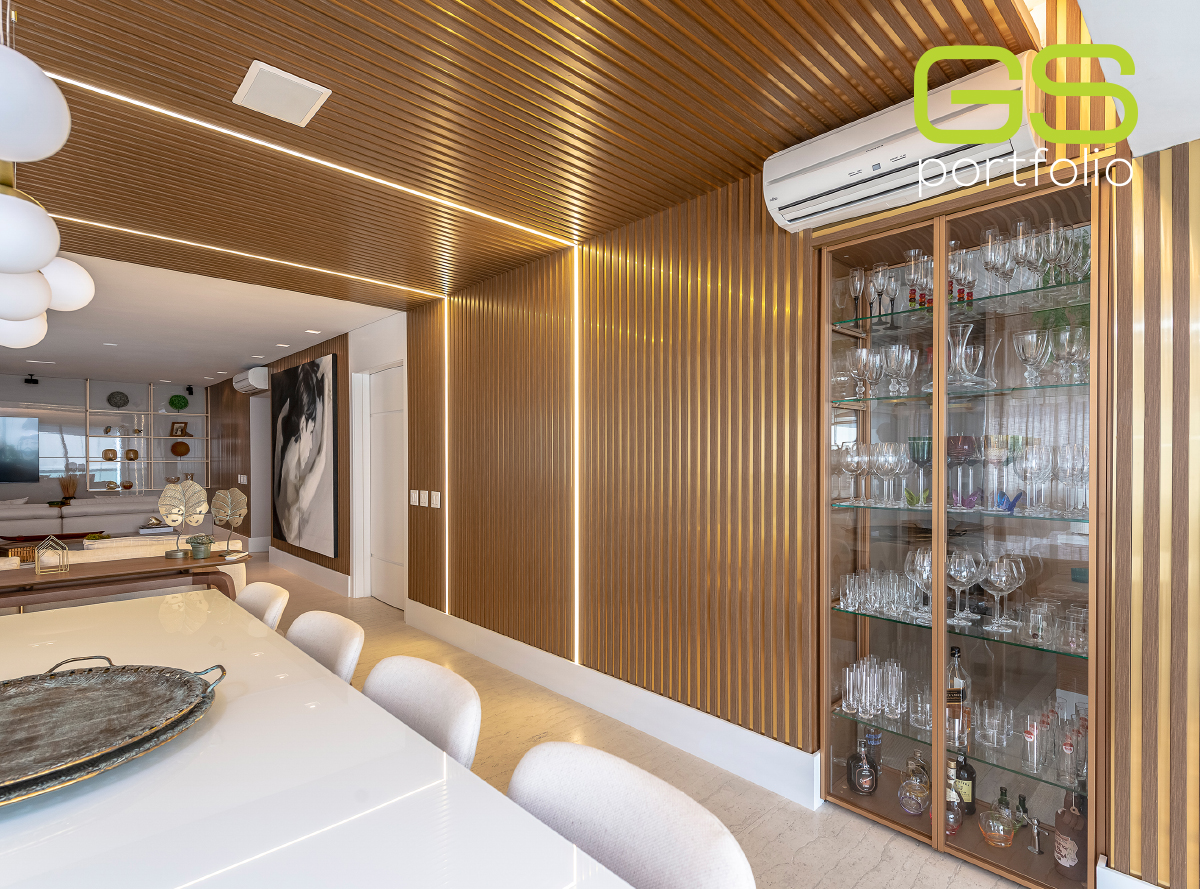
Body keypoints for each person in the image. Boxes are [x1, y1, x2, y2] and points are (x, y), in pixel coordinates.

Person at [273, 358, 334, 554]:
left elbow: (285, 435)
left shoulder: (283, 468)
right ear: (303, 425)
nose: (310, 448)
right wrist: (326, 386)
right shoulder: (298, 501)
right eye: (311, 431)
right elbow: (322, 456)